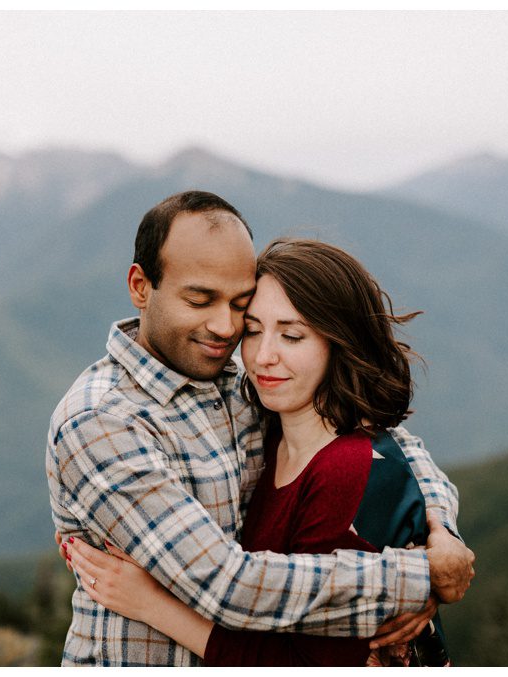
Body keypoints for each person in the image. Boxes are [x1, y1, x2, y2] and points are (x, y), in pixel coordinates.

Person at [46, 192, 475, 666]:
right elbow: (226, 584)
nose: (225, 327)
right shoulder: (103, 421)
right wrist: (418, 577)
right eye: (200, 299)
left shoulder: (240, 384)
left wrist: (439, 532)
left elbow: (394, 449)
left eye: (239, 306)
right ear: (141, 285)